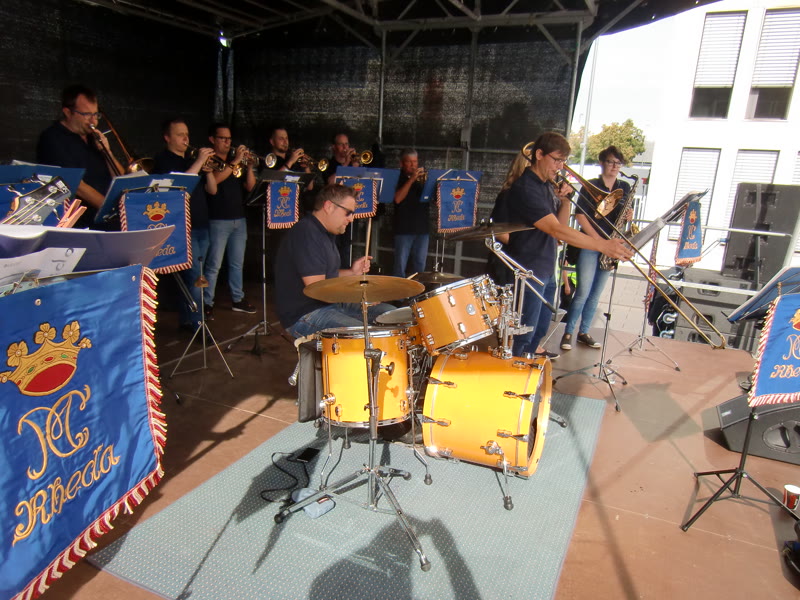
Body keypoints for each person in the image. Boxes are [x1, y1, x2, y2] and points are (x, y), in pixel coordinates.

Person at [504, 132, 633, 359]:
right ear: (539, 154)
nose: (560, 167)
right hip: (529, 269)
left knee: (538, 333)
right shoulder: (526, 187)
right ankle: (516, 374)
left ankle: (529, 369)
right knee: (523, 337)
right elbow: (556, 229)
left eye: (564, 161)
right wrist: (602, 245)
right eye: (556, 160)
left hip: (545, 267)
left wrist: (564, 201)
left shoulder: (545, 186)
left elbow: (560, 231)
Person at [274, 184, 394, 339]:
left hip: (330, 305)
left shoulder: (324, 233)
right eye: (348, 213)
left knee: (392, 315)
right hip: (305, 314)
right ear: (329, 206)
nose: (351, 218)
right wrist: (360, 295)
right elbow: (317, 288)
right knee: (364, 336)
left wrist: (352, 272)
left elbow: (327, 275)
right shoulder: (306, 233)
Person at [560, 146, 632, 351]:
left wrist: (629, 217)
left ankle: (584, 332)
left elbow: (624, 216)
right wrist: (598, 241)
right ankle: (568, 332)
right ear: (602, 163)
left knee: (596, 294)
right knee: (583, 291)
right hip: (591, 243)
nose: (615, 166)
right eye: (611, 162)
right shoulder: (591, 185)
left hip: (612, 245)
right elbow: (580, 216)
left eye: (618, 163)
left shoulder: (625, 187)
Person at [151, 118, 217, 331]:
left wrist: (208, 170)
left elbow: (212, 190)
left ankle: (187, 320)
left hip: (202, 222)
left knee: (196, 275)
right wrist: (199, 162)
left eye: (187, 134)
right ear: (167, 137)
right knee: (196, 277)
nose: (186, 139)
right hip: (184, 226)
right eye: (180, 135)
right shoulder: (163, 160)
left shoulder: (191, 160)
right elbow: (179, 186)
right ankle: (199, 323)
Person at [36, 84, 123, 227]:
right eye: (86, 115)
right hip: (80, 222)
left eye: (96, 115)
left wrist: (107, 152)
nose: (93, 121)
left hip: (106, 219)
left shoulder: (92, 138)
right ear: (68, 112)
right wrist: (110, 210)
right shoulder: (53, 138)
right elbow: (76, 185)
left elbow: (120, 178)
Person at [203, 123, 257, 316]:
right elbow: (215, 181)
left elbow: (250, 187)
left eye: (229, 139)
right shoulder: (209, 160)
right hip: (218, 219)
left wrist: (249, 167)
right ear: (212, 139)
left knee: (237, 264)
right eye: (223, 138)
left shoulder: (236, 163)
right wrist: (236, 160)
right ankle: (206, 302)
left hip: (239, 219)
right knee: (214, 265)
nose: (227, 142)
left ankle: (238, 299)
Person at [487, 151, 531, 286]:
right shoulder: (508, 195)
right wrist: (525, 247)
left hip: (530, 262)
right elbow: (498, 231)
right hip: (509, 263)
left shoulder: (539, 195)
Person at [326, 133, 362, 268]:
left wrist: (355, 166)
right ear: (334, 147)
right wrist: (346, 164)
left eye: (347, 144)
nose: (345, 147)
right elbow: (331, 182)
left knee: (348, 247)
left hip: (349, 213)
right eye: (341, 144)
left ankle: (346, 273)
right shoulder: (329, 164)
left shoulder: (353, 164)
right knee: (334, 247)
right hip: (334, 213)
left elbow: (361, 184)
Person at [392, 149, 429, 277]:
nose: (413, 165)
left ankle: (418, 289)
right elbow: (397, 199)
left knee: (420, 266)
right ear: (402, 163)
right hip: (404, 229)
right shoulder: (397, 178)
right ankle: (399, 290)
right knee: (400, 266)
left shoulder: (423, 179)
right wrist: (412, 179)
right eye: (409, 162)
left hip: (422, 228)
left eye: (415, 161)